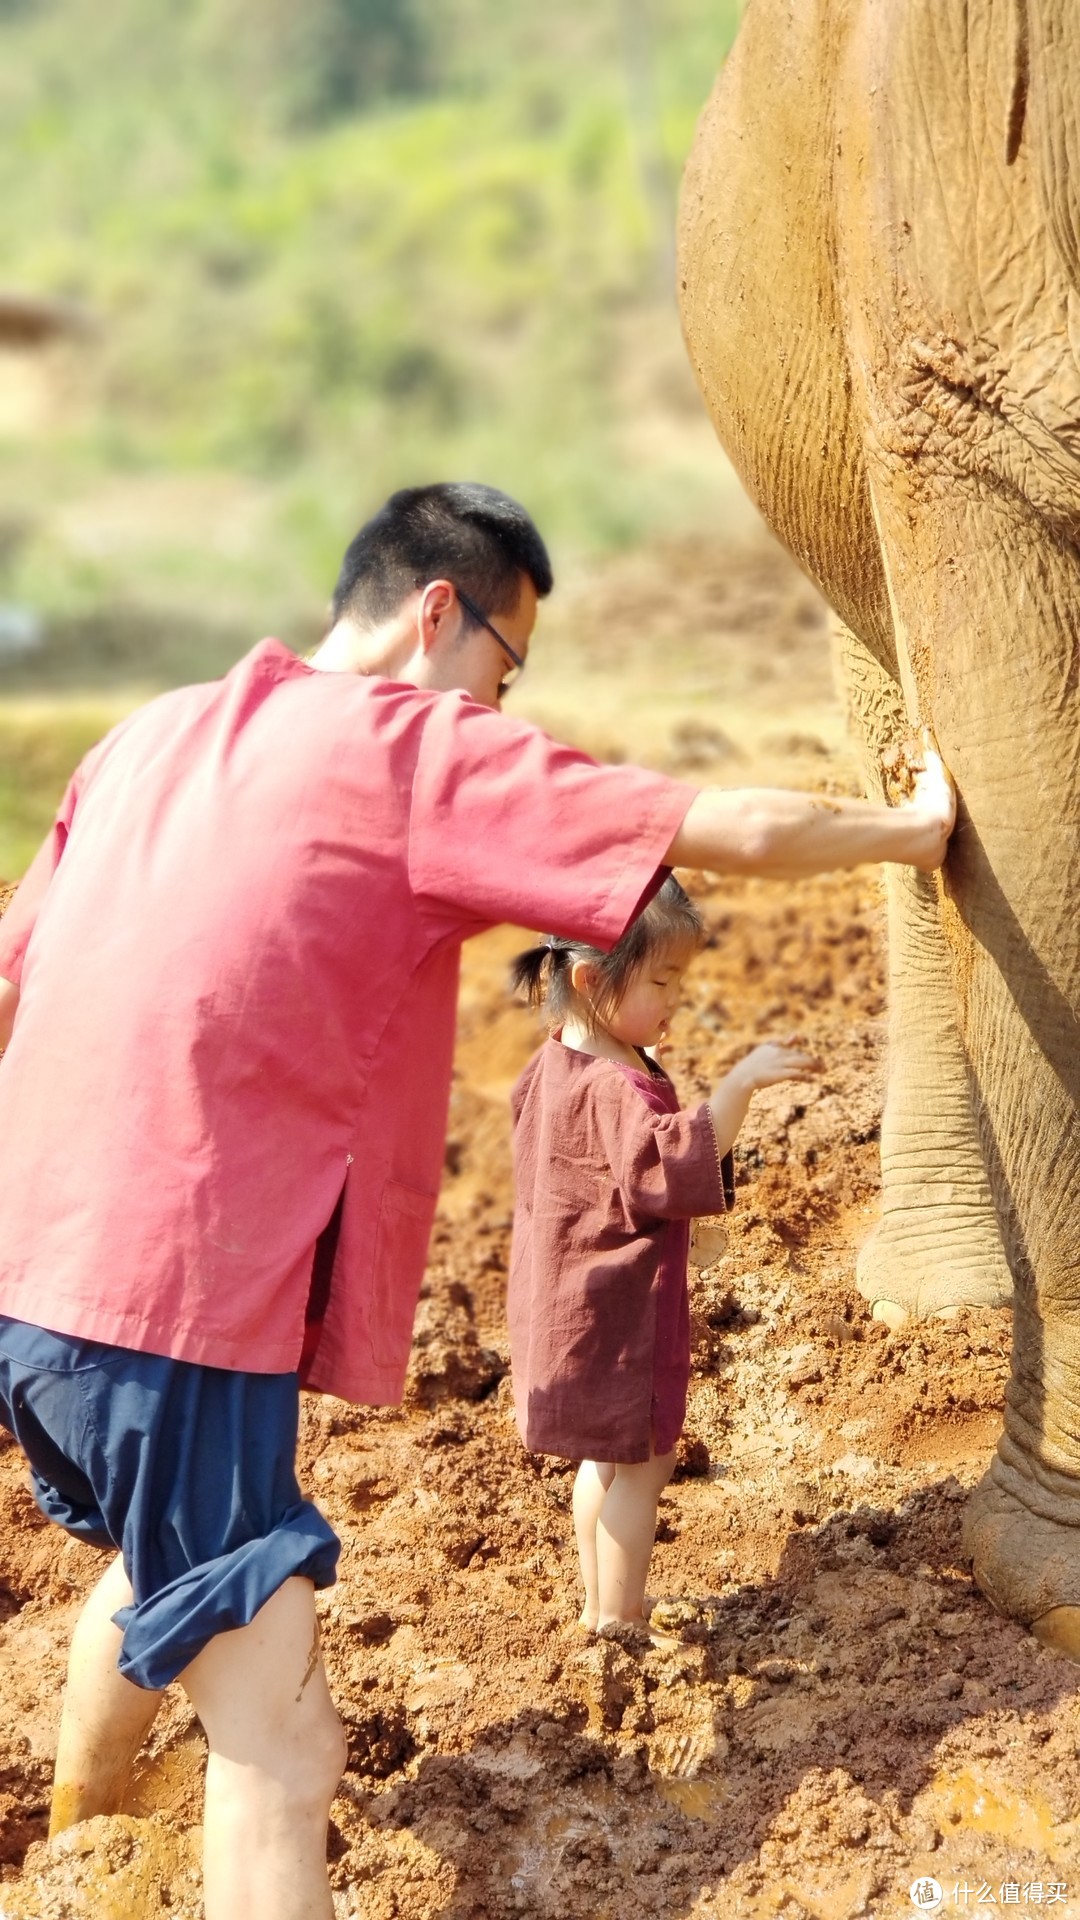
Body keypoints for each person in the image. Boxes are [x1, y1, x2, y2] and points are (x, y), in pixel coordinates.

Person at [0, 481, 954, 1919]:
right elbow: (720, 826)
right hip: (177, 1308)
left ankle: (81, 1837)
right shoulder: (413, 750)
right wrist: (911, 831)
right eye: (506, 672)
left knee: (162, 1566)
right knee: (284, 1739)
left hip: (35, 1286)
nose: (502, 712)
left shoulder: (150, 734)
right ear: (438, 615)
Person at [507, 876, 818, 1640]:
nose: (675, 1000)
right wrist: (737, 1085)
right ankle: (619, 1621)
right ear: (590, 980)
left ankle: (595, 1603)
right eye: (662, 981)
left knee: (600, 1461)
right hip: (617, 1320)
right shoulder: (621, 1091)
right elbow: (665, 1167)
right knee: (643, 1466)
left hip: (559, 1306)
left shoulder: (550, 1066)